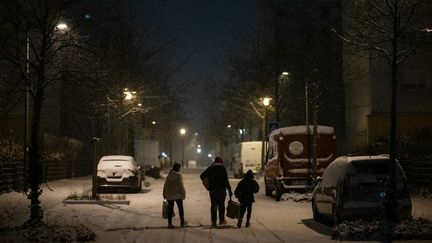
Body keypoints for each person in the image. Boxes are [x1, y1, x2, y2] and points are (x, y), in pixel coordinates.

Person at [200, 156, 233, 228]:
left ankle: (214, 222)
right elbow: (226, 181)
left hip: (213, 190)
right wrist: (229, 190)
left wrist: (207, 184)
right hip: (221, 190)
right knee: (221, 205)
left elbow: (202, 175)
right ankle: (221, 220)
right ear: (221, 162)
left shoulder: (211, 168)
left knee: (213, 206)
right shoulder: (222, 168)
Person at [163, 163, 187, 228]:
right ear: (178, 168)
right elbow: (181, 186)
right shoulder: (178, 176)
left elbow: (165, 186)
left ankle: (169, 224)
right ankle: (182, 222)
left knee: (170, 209)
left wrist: (164, 194)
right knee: (180, 208)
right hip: (178, 195)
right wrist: (183, 194)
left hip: (170, 195)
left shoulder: (169, 176)